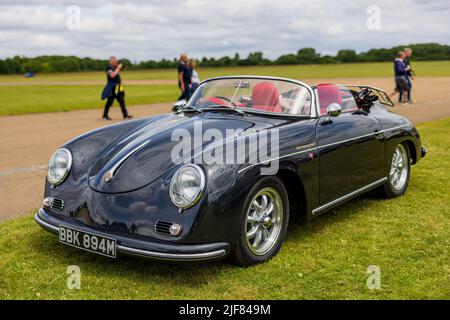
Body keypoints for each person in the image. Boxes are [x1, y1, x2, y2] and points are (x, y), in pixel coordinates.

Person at [101, 56, 132, 120]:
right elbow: (112, 75)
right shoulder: (108, 67)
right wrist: (118, 68)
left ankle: (125, 115)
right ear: (111, 61)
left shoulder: (114, 67)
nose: (116, 62)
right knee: (110, 101)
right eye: (114, 61)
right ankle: (105, 115)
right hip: (112, 87)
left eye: (116, 61)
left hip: (118, 87)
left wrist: (117, 67)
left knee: (121, 101)